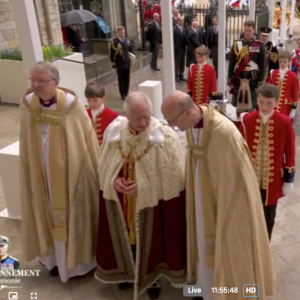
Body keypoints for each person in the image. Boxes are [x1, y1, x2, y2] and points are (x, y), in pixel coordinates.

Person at [161, 90, 274, 300]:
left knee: (222, 246)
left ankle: (227, 293)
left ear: (187, 113)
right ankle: (203, 290)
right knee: (200, 245)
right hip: (199, 197)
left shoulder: (224, 132)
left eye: (172, 121)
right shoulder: (190, 126)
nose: (173, 126)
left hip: (224, 201)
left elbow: (238, 179)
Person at [95, 91, 186, 300]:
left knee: (152, 241)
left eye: (146, 115)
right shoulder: (114, 131)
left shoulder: (164, 136)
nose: (144, 121)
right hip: (123, 202)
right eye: (138, 118)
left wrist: (145, 186)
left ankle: (152, 278)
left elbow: (174, 177)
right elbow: (104, 166)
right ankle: (127, 273)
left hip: (152, 206)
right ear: (127, 115)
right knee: (126, 237)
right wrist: (113, 181)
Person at [20, 61, 99, 282]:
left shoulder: (71, 105)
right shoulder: (27, 103)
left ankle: (76, 266)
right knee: (45, 211)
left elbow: (85, 141)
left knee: (70, 212)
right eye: (32, 80)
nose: (35, 85)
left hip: (68, 174)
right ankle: (53, 260)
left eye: (41, 81)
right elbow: (26, 139)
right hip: (40, 172)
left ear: (56, 82)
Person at [239, 83, 295, 240]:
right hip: (252, 177)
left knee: (269, 216)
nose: (265, 106)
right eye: (262, 102)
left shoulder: (284, 122)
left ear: (276, 102)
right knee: (250, 213)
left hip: (273, 181)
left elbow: (290, 151)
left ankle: (265, 244)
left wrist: (288, 179)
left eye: (269, 103)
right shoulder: (248, 120)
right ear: (257, 100)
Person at [228, 20, 266, 114]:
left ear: (254, 31)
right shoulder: (237, 44)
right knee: (237, 108)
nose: (247, 32)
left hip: (253, 79)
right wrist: (229, 78)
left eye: (249, 30)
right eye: (245, 30)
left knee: (252, 108)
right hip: (238, 78)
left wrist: (260, 82)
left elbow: (263, 65)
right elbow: (231, 63)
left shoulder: (259, 45)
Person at [268, 50, 299, 118]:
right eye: (280, 61)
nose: (282, 64)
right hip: (273, 105)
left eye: (285, 62)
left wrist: (293, 109)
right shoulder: (273, 73)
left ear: (288, 62)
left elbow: (295, 93)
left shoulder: (293, 76)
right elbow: (268, 89)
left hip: (286, 106)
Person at [110, 26, 133, 100]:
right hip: (119, 64)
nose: (123, 34)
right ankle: (122, 94)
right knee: (121, 79)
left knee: (127, 79)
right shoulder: (114, 41)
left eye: (123, 33)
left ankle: (126, 92)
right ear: (118, 33)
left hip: (127, 63)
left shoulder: (127, 40)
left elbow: (130, 51)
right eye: (121, 33)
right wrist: (113, 64)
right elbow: (112, 54)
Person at [173, 16, 187, 82]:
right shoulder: (174, 29)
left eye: (183, 21)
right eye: (181, 21)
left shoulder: (183, 28)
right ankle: (175, 76)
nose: (183, 22)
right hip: (177, 49)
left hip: (183, 48)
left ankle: (181, 74)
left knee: (182, 62)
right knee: (177, 62)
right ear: (178, 21)